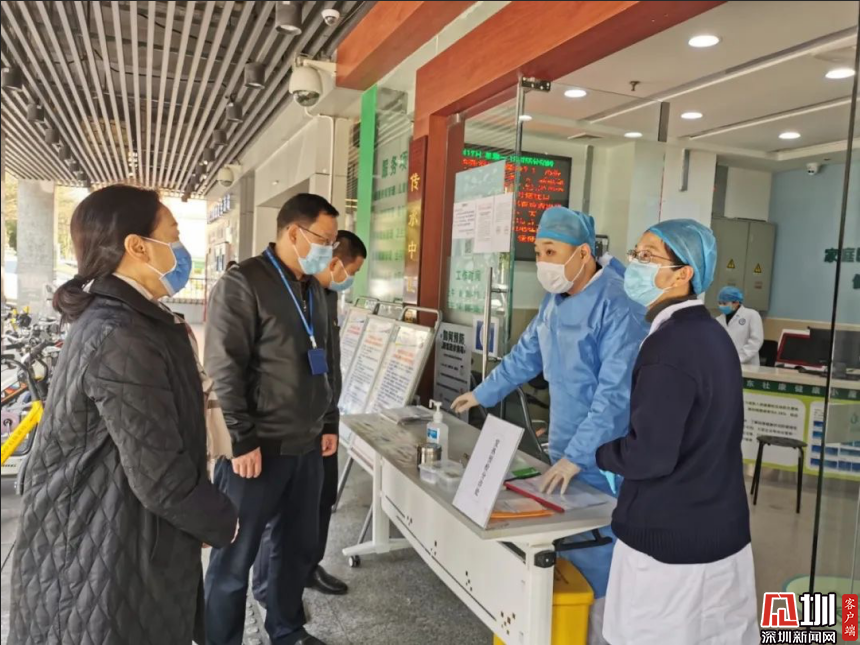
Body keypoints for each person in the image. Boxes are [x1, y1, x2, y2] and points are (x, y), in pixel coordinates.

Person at [8, 185, 238, 645]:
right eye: (172, 234)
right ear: (137, 246)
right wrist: (220, 519)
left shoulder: (127, 318)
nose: (180, 249)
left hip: (109, 534)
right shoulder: (121, 332)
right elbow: (160, 474)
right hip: (98, 552)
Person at [452, 206, 648, 643]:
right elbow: (526, 354)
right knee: (568, 541)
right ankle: (567, 625)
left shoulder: (618, 305)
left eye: (551, 251)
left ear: (583, 253)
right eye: (539, 251)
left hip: (603, 453)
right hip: (564, 445)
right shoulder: (555, 302)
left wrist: (578, 456)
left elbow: (614, 396)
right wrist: (483, 393)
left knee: (600, 542)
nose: (543, 261)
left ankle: (602, 631)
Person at [596, 219, 757, 645]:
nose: (635, 263)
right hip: (721, 534)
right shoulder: (712, 335)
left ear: (683, 274)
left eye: (648, 256)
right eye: (635, 253)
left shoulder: (668, 346)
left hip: (669, 551)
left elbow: (650, 455)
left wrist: (604, 454)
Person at [204, 193, 341, 645]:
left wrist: (329, 422)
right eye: (325, 239)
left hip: (306, 445)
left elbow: (327, 361)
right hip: (258, 449)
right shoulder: (244, 283)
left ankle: (287, 630)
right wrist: (241, 439)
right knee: (234, 557)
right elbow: (224, 367)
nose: (330, 249)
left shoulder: (314, 289)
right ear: (294, 233)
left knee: (295, 549)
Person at [252, 230, 367, 601]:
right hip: (290, 426)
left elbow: (327, 362)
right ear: (334, 262)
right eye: (351, 271)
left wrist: (329, 421)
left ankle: (306, 567)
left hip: (323, 420)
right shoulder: (288, 294)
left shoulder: (326, 296)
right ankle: (268, 586)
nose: (350, 279)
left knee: (319, 500)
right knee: (281, 512)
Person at [716, 285, 764, 366]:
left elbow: (756, 341)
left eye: (724, 303)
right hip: (724, 363)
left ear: (736, 302)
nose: (721, 306)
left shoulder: (752, 315)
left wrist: (739, 358)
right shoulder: (718, 320)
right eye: (720, 303)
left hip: (747, 365)